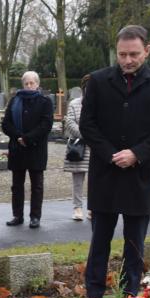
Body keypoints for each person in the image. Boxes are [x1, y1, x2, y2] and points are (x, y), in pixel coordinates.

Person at [79, 25, 150, 298]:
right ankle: (94, 295)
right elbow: (87, 125)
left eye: (134, 54)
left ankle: (129, 295)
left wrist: (136, 154)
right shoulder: (98, 81)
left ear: (147, 51)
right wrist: (111, 154)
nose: (128, 60)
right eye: (122, 55)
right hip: (105, 173)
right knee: (100, 239)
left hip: (140, 174)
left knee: (135, 241)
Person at [2, 71, 54, 229]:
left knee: (37, 185)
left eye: (32, 83)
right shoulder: (15, 101)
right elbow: (6, 124)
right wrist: (18, 137)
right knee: (17, 185)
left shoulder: (45, 102)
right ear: (23, 84)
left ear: (37, 84)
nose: (29, 86)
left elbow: (46, 125)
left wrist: (27, 138)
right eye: (26, 83)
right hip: (17, 149)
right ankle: (17, 215)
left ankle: (35, 216)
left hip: (36, 149)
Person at [63, 74, 91, 222]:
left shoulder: (102, 103)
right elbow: (70, 122)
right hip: (79, 146)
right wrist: (85, 134)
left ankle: (93, 207)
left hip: (95, 147)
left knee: (95, 180)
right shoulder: (74, 104)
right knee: (78, 180)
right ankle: (77, 207)